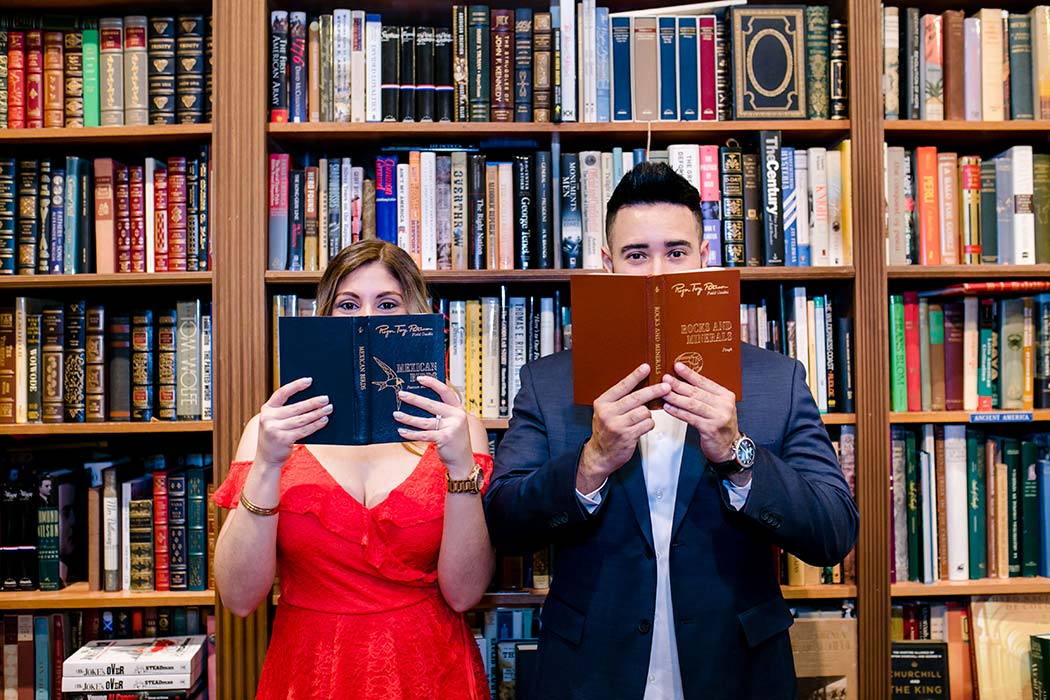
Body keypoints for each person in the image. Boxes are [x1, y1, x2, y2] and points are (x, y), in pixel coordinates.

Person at [484, 162, 859, 700]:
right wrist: (590, 464)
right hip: (592, 674)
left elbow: (834, 533)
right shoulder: (547, 382)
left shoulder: (776, 379)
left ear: (704, 259)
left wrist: (737, 455)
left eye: (676, 252)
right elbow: (503, 523)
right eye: (637, 256)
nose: (658, 272)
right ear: (609, 265)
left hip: (735, 673)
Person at [214, 239, 494, 699]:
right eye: (348, 304)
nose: (367, 317)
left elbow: (465, 594)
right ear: (326, 319)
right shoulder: (270, 432)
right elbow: (240, 598)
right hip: (311, 670)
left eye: (387, 303)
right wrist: (266, 464)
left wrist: (460, 464)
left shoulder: (459, 431)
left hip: (428, 670)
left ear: (414, 318)